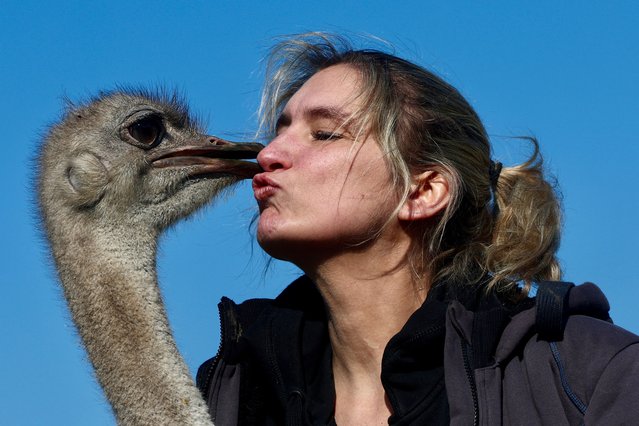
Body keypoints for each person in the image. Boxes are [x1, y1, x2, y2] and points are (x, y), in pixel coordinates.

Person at [197, 33, 639, 425]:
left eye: (325, 133)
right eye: (281, 130)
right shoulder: (230, 395)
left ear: (423, 192)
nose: (269, 153)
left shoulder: (591, 374)